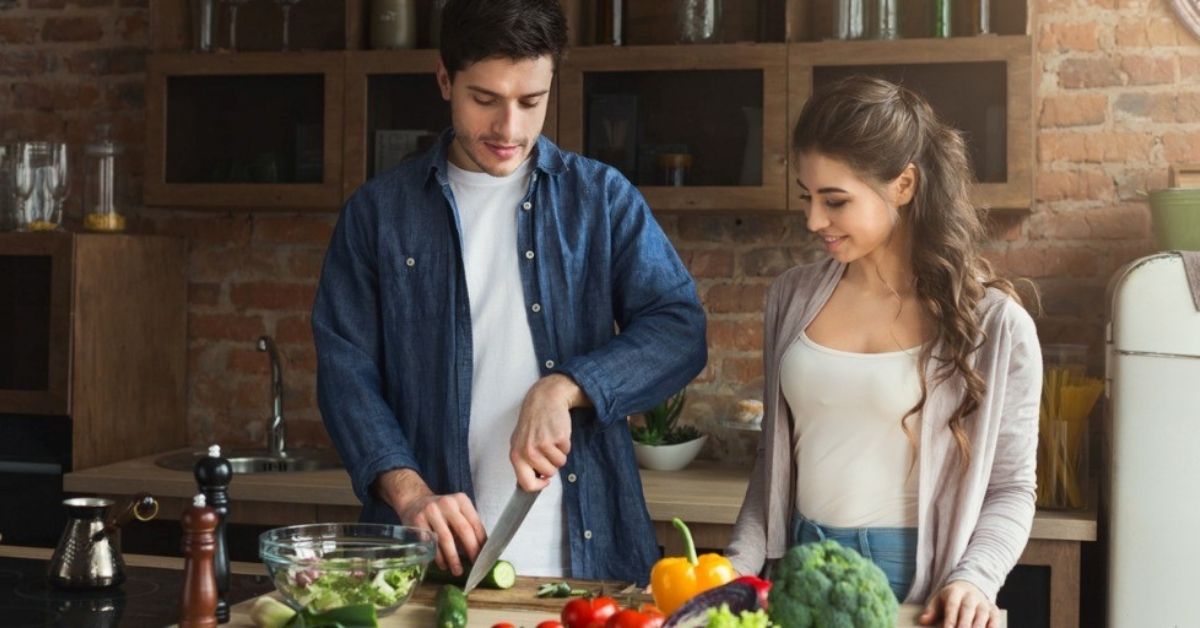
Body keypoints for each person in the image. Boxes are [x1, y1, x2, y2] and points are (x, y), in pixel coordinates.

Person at [311, 0, 706, 585]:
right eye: (485, 99)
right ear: (445, 79)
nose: (510, 129)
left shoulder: (600, 199)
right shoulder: (378, 215)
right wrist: (411, 494)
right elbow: (346, 375)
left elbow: (680, 329)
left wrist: (566, 386)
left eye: (531, 101)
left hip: (590, 563)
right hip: (428, 561)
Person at [725, 75, 1040, 628]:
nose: (813, 220)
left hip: (916, 586)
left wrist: (975, 578)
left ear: (904, 185)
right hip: (798, 572)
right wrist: (737, 566)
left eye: (835, 200)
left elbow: (1012, 487)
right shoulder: (791, 298)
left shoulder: (994, 325)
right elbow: (771, 463)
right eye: (808, 197)